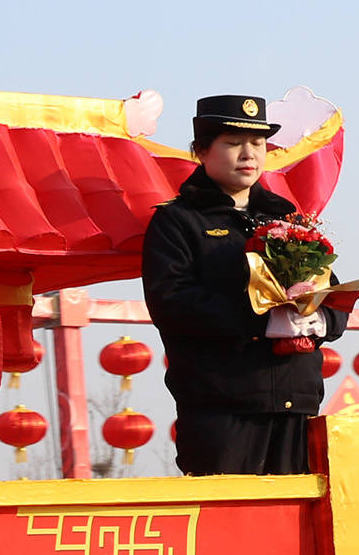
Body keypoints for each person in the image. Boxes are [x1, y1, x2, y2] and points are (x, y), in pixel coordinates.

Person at [142, 93, 346, 475]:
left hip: (295, 401)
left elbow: (332, 293)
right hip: (220, 407)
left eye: (257, 144)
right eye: (233, 144)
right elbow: (172, 302)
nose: (248, 154)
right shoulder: (178, 222)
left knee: (293, 526)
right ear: (201, 151)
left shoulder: (289, 218)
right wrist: (262, 321)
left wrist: (319, 321)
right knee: (228, 526)